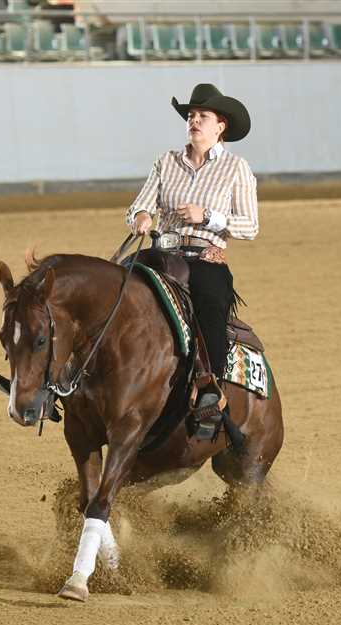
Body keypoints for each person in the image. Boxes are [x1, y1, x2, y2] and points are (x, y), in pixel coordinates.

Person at [126, 83, 258, 439]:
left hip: (204, 257)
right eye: (191, 115)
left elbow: (250, 225)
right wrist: (141, 217)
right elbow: (140, 204)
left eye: (203, 116)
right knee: (118, 284)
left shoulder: (236, 168)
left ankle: (209, 388)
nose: (194, 121)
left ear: (220, 126)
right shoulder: (166, 162)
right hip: (162, 254)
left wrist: (208, 217)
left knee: (210, 302)